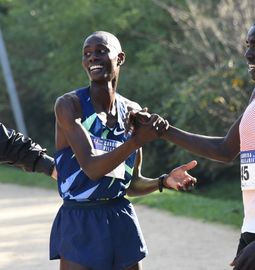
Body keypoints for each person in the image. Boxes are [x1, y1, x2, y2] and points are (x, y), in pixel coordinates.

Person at [50, 30, 198, 270]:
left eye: (101, 51)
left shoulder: (131, 111)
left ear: (120, 58)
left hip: (119, 217)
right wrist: (136, 141)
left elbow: (131, 184)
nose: (93, 58)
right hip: (80, 220)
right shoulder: (70, 105)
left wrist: (163, 181)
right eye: (87, 54)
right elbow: (91, 169)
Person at [133, 15, 255, 270]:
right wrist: (163, 130)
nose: (248, 54)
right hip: (253, 231)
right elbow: (226, 149)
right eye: (248, 45)